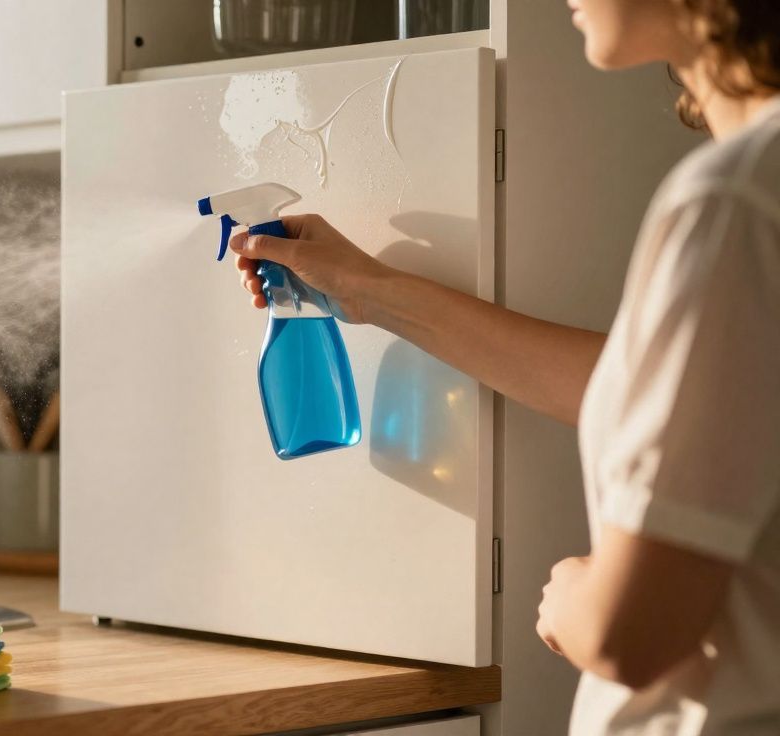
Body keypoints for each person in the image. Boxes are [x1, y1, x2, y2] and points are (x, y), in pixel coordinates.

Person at [228, 1, 780, 733]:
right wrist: (369, 291)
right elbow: (649, 394)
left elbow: (629, 635)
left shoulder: (733, 202)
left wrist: (575, 597)